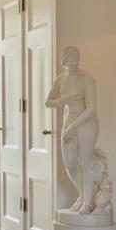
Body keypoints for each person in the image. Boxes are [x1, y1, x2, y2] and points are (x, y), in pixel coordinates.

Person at [43, 46, 99, 215]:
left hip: (86, 121)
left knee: (86, 161)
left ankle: (88, 201)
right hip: (69, 118)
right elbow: (48, 102)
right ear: (64, 60)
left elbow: (90, 109)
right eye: (70, 57)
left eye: (76, 57)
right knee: (70, 163)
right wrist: (64, 99)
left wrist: (71, 127)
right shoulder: (61, 79)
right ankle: (83, 195)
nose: (74, 60)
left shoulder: (87, 78)